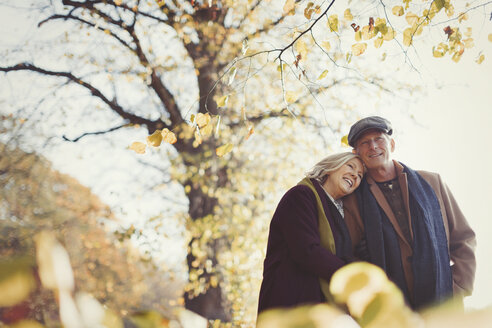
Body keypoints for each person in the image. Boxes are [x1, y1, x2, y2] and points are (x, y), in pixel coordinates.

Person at [344, 116, 476, 310]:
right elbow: (352, 256)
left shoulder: (432, 182)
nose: (373, 146)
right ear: (356, 153)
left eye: (379, 139)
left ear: (392, 144)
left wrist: (460, 286)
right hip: (392, 310)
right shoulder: (354, 200)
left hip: (444, 302)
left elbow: (463, 238)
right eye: (364, 142)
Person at [257, 152, 364, 313]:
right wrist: (349, 274)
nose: (355, 175)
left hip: (321, 308)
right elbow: (306, 250)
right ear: (330, 167)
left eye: (360, 176)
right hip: (290, 301)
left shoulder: (343, 215)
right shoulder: (301, 195)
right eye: (350, 166)